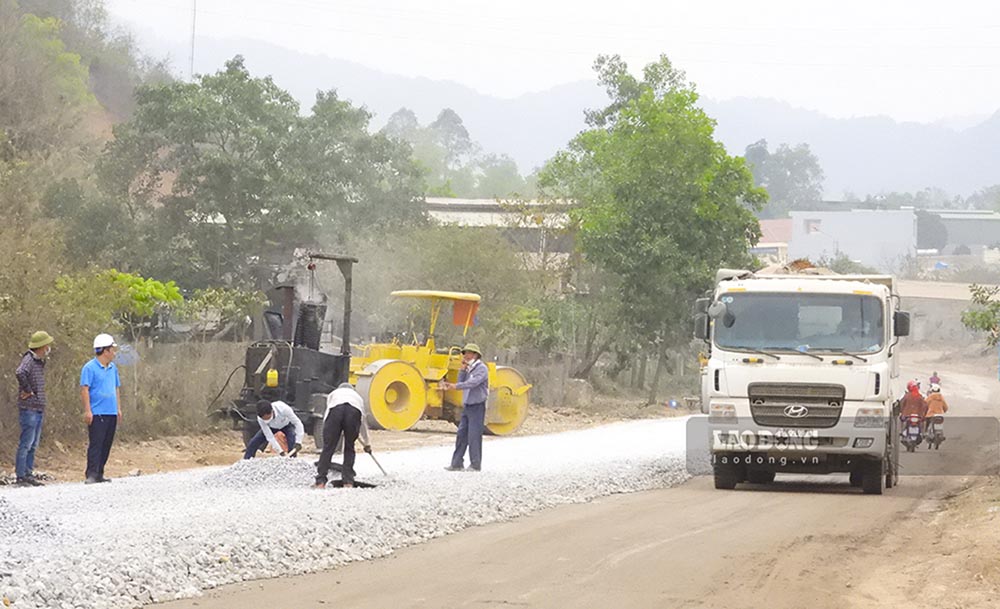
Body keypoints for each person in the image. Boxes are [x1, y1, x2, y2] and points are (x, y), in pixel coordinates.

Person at [14, 331, 54, 487]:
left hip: (38, 408)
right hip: (29, 408)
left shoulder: (38, 362)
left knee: (33, 443)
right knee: (26, 443)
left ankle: (28, 473)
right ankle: (21, 475)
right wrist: (28, 390)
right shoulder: (29, 359)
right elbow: (20, 372)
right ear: (42, 346)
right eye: (47, 345)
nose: (48, 348)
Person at [441, 343, 489, 472]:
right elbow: (461, 381)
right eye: (465, 353)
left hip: (477, 405)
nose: (465, 356)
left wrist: (455, 386)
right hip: (467, 404)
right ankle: (456, 463)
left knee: (474, 435)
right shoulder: (468, 369)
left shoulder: (481, 369)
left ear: (475, 355)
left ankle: (475, 464)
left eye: (468, 353)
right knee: (461, 434)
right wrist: (462, 370)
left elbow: (473, 383)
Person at [314, 382, 372, 489]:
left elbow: (328, 413)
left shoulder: (333, 393)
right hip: (354, 411)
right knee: (349, 447)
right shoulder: (357, 397)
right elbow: (362, 421)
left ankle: (320, 482)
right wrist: (367, 443)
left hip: (336, 411)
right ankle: (348, 482)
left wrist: (327, 434)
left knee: (328, 448)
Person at [81, 333, 121, 484]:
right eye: (112, 349)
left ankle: (100, 472)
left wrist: (118, 408)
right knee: (96, 443)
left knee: (107, 443)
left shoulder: (113, 368)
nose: (114, 353)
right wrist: (88, 410)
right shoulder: (89, 368)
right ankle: (91, 473)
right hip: (97, 412)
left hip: (111, 411)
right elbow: (85, 389)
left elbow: (116, 388)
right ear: (105, 351)